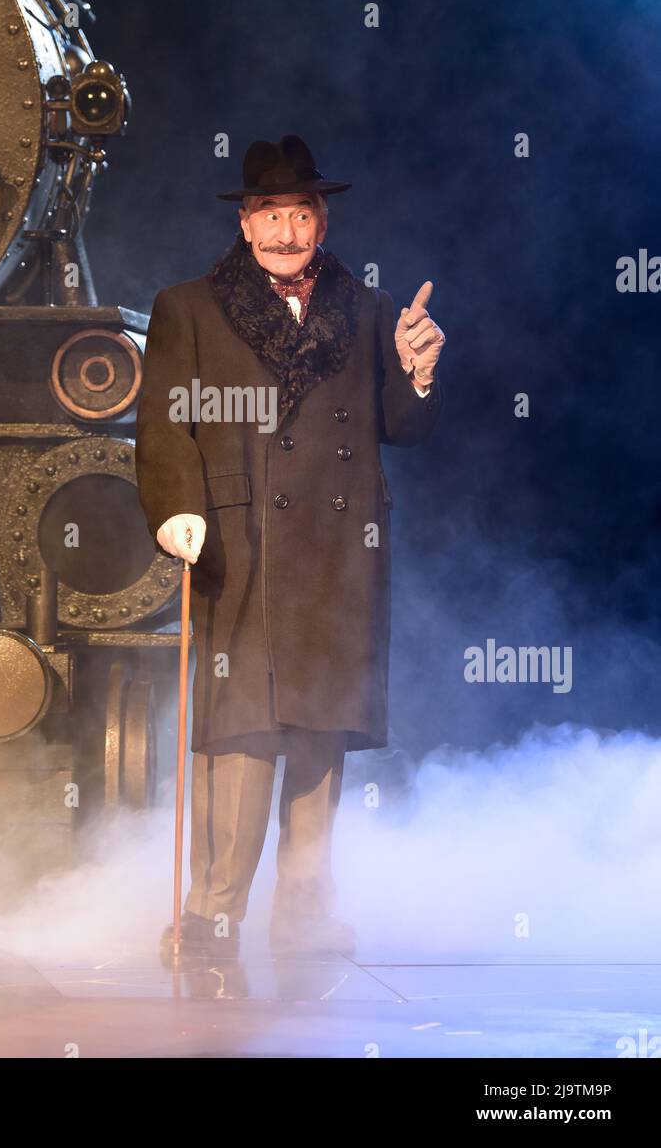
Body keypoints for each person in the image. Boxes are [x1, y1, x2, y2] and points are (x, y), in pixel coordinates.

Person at [135, 135, 444, 957]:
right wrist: (173, 509)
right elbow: (165, 426)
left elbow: (401, 431)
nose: (283, 230)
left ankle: (303, 914)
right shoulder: (187, 307)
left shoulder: (370, 309)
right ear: (243, 223)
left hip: (341, 549)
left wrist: (417, 372)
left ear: (321, 220)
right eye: (267, 214)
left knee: (319, 732)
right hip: (241, 541)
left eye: (298, 214)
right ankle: (211, 914)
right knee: (241, 732)